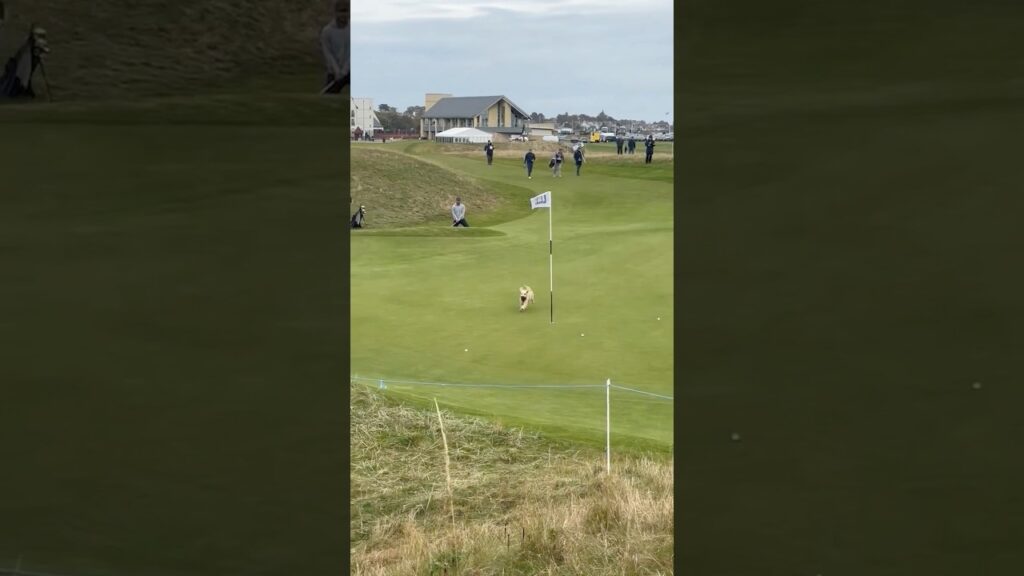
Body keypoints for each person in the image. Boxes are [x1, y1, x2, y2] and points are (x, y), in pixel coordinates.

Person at [320, 0, 349, 94]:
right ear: (335, 12)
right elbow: (328, 53)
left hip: (351, 71)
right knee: (329, 98)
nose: (344, 14)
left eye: (346, 11)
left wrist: (344, 70)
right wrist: (336, 70)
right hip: (334, 72)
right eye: (341, 11)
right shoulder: (327, 31)